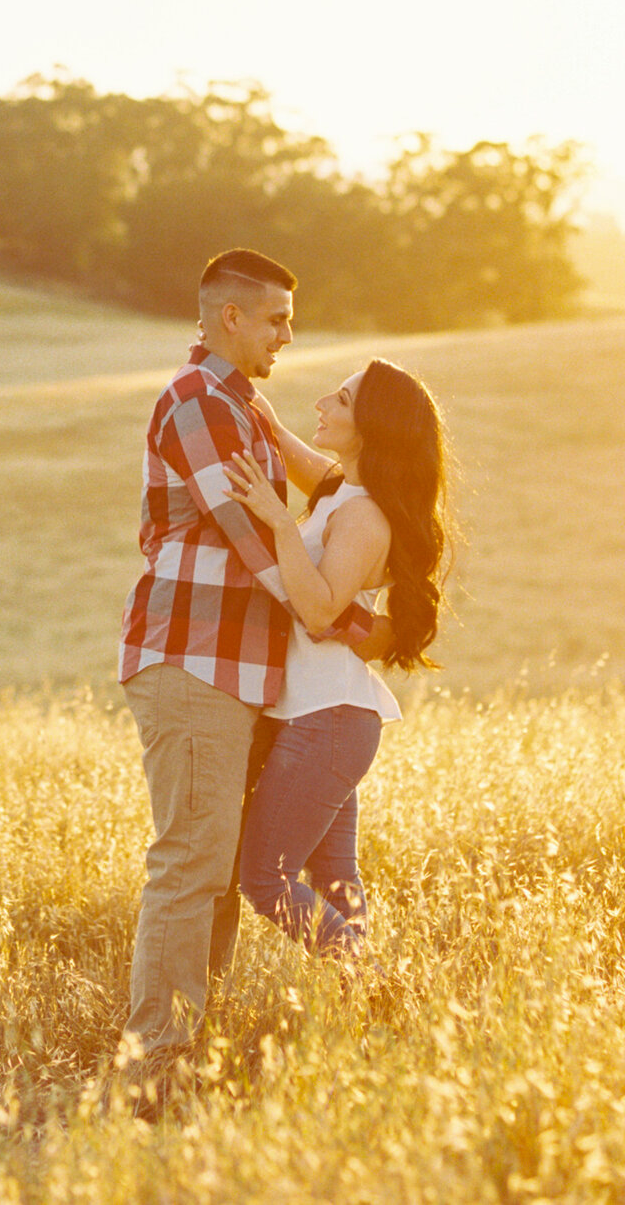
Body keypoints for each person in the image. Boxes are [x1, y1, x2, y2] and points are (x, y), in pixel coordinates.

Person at [117, 248, 380, 1105]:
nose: (288, 336)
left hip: (244, 669)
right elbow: (249, 535)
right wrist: (338, 619)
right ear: (230, 317)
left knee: (221, 869)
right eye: (276, 320)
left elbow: (338, 487)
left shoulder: (249, 405)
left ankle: (194, 1041)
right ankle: (157, 1062)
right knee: (191, 861)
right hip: (194, 658)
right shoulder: (196, 403)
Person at [224, 357, 453, 956]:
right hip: (328, 717)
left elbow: (320, 611)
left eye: (343, 400)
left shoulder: (362, 513)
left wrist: (277, 521)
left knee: (265, 881)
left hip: (325, 719)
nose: (323, 402)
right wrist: (220, 362)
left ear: (374, 427)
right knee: (335, 885)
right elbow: (271, 427)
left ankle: (369, 980)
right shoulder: (336, 489)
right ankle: (369, 1008)